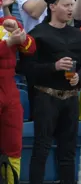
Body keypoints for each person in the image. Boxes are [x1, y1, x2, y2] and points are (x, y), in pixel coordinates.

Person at [25, 0, 81, 184]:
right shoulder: (38, 33)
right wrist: (54, 67)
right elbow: (27, 69)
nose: (71, 9)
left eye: (72, 5)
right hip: (46, 97)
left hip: (71, 98)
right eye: (66, 5)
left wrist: (79, 76)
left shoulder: (80, 35)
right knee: (41, 149)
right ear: (52, 6)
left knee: (68, 152)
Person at [0, 16, 35, 182]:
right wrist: (7, 44)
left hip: (9, 90)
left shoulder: (7, 23)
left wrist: (17, 30)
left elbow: (30, 49)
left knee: (14, 146)